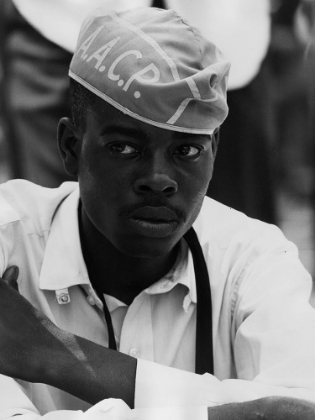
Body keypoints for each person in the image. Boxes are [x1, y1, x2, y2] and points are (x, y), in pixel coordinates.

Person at [0, 7, 315, 420]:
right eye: (124, 148)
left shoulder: (253, 258)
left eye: (186, 150)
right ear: (70, 148)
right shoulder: (10, 239)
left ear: (214, 152)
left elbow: (302, 410)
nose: (158, 179)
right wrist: (246, 411)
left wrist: (56, 356)